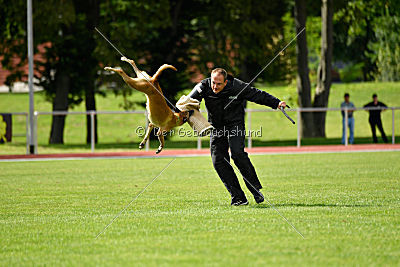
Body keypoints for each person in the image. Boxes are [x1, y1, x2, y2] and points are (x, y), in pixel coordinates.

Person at [188, 68, 286, 206]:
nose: (215, 86)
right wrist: (177, 112)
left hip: (235, 124)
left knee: (237, 154)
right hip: (216, 127)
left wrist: (276, 102)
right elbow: (188, 101)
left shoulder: (237, 86)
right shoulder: (203, 86)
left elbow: (257, 94)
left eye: (219, 84)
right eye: (213, 83)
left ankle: (255, 189)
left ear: (226, 82)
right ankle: (238, 197)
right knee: (218, 161)